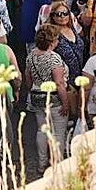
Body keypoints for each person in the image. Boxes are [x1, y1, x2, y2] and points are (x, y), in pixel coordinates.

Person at [24, 24, 69, 171]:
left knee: (41, 130)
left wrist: (31, 90)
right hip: (54, 98)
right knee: (58, 133)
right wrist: (65, 103)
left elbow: (27, 76)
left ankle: (42, 163)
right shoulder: (54, 58)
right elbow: (59, 83)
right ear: (52, 42)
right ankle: (57, 163)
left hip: (37, 96)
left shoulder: (31, 55)